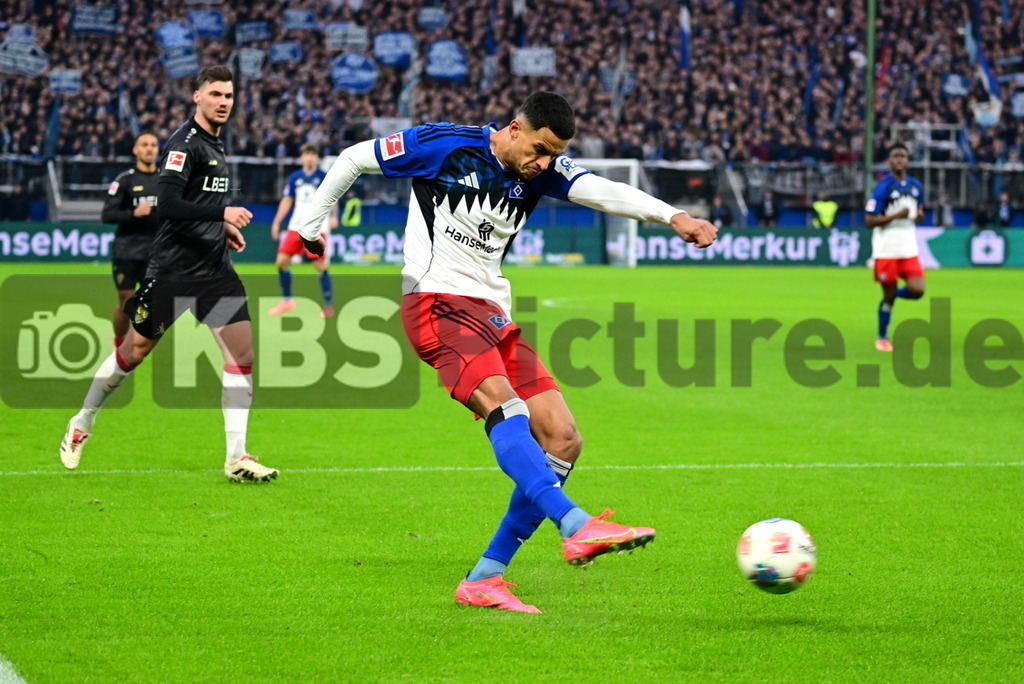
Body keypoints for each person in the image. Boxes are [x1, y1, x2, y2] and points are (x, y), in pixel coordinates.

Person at [297, 91, 717, 613]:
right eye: (540, 149)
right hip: (436, 302)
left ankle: (484, 578)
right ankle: (577, 524)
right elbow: (354, 158)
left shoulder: (541, 170)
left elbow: (599, 189)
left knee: (562, 438)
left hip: (492, 314)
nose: (545, 163)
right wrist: (308, 228)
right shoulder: (443, 145)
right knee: (506, 405)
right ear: (515, 128)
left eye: (554, 154)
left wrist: (673, 216)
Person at [60, 65, 278, 483]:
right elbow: (168, 203)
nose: (223, 102)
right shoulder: (184, 145)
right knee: (134, 353)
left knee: (242, 355)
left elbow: (196, 202)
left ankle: (236, 457)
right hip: (174, 271)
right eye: (215, 94)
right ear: (197, 96)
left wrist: (222, 227)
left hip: (214, 270)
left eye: (229, 96)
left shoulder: (217, 144)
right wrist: (222, 212)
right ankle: (82, 420)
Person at [100, 131, 161, 347]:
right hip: (127, 251)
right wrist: (133, 213)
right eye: (144, 145)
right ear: (135, 150)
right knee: (127, 303)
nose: (149, 149)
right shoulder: (124, 180)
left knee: (150, 306)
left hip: (155, 253)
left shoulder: (167, 181)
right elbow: (107, 214)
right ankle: (119, 344)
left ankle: (138, 346)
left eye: (153, 145)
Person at [864, 143, 926, 352]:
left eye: (902, 156)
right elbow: (869, 220)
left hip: (909, 247)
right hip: (886, 248)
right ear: (889, 161)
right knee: (888, 298)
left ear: (907, 160)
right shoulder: (883, 187)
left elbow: (915, 214)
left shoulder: (916, 186)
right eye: (895, 156)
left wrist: (917, 218)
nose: (899, 160)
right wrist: (894, 216)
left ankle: (891, 295)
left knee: (917, 290)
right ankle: (882, 337)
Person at [268, 142, 339, 318]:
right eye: (306, 154)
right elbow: (287, 200)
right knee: (281, 261)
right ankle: (287, 301)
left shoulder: (323, 176)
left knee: (320, 265)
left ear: (317, 157)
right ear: (302, 157)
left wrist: (333, 216)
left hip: (317, 227)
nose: (309, 157)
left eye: (312, 154)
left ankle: (328, 306)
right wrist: (277, 222)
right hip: (295, 226)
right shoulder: (295, 177)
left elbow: (334, 196)